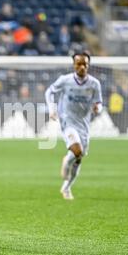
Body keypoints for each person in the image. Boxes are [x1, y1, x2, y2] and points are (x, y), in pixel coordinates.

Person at [45, 53, 103, 200]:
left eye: (85, 64)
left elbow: (99, 103)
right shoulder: (65, 80)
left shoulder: (94, 84)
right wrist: (52, 109)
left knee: (79, 157)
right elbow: (49, 91)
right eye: (79, 64)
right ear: (74, 65)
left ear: (88, 66)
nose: (82, 67)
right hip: (68, 121)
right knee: (77, 149)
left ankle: (67, 187)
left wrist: (98, 109)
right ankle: (66, 162)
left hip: (84, 125)